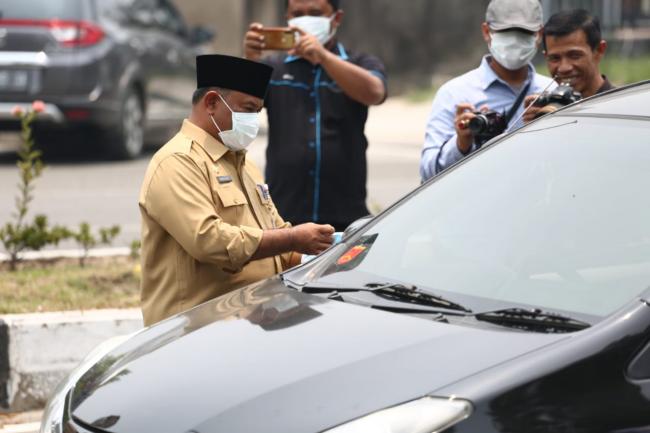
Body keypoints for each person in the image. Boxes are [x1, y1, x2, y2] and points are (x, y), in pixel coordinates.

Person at [139, 54, 335, 326]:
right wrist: (293, 238)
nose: (254, 120)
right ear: (211, 103)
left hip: (248, 324)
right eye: (248, 109)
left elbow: (277, 239)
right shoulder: (177, 161)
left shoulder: (242, 163)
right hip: (193, 333)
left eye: (258, 111)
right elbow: (210, 242)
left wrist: (328, 252)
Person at [244, 0, 387, 232]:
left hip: (345, 215)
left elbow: (375, 92)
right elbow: (240, 109)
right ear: (287, 19)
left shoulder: (359, 62)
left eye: (315, 13)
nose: (305, 19)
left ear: (336, 19)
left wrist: (323, 57)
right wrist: (250, 62)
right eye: (297, 14)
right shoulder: (273, 67)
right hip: (283, 216)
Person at [420, 0, 554, 181]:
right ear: (486, 32)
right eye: (506, 32)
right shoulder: (454, 94)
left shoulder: (552, 91)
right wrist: (461, 144)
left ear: (539, 34)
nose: (514, 41)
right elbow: (428, 173)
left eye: (524, 32)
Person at [523, 9, 614, 121]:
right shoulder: (550, 112)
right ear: (545, 57)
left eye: (575, 56)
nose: (564, 68)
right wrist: (535, 127)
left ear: (599, 50)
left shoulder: (621, 108)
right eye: (555, 58)